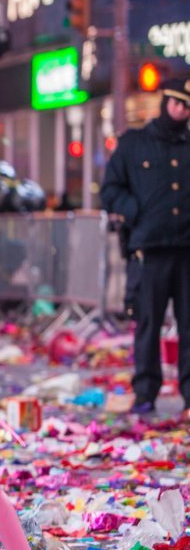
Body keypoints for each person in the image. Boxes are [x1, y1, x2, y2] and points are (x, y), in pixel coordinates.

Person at [99, 78, 190, 418]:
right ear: (165, 101)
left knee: (188, 325)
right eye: (177, 103)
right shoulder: (134, 144)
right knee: (148, 324)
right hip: (149, 249)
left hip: (185, 249)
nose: (181, 111)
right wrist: (136, 212)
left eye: (187, 107)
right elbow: (110, 189)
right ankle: (145, 391)